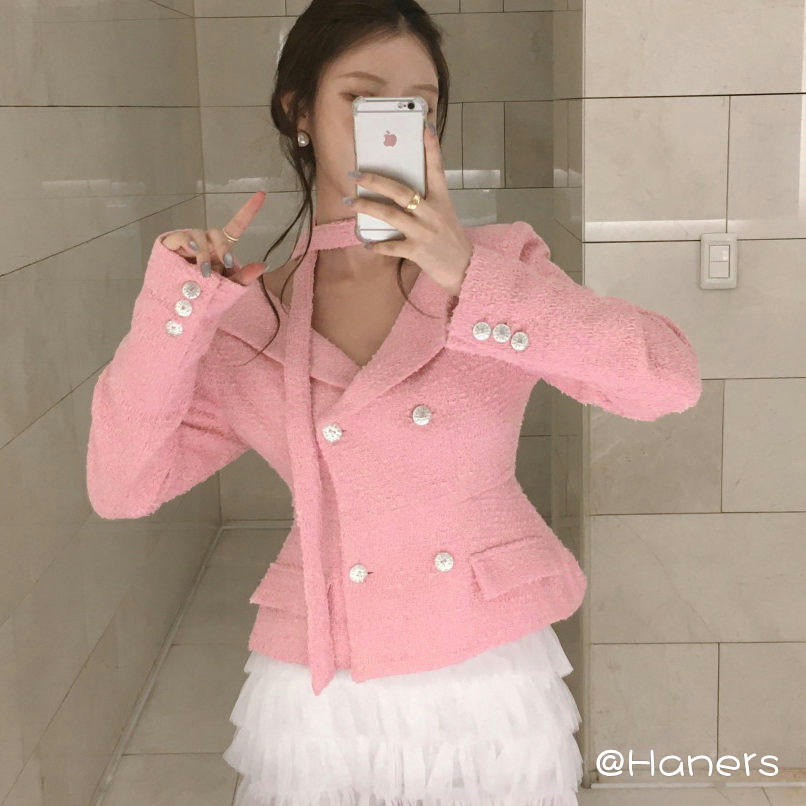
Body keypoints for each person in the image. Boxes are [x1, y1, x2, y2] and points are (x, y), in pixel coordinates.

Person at [86, 1, 703, 804]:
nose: (394, 123)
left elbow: (668, 379)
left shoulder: (499, 266)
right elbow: (123, 486)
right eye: (362, 97)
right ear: (298, 112)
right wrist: (175, 308)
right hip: (325, 688)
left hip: (488, 675)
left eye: (418, 105)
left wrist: (468, 274)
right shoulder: (249, 319)